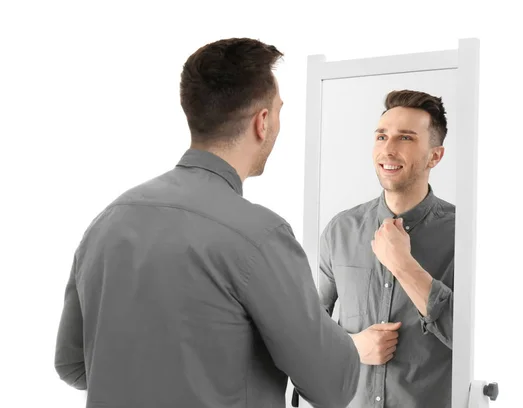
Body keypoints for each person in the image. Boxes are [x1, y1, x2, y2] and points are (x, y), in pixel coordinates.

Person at [54, 38, 360, 408]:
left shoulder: (108, 221)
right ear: (262, 122)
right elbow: (335, 386)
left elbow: (72, 364)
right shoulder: (261, 236)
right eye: (278, 110)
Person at [314, 89, 454, 407]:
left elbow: (473, 340)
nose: (388, 150)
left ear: (435, 155)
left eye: (405, 138)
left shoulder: (464, 234)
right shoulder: (340, 230)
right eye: (381, 136)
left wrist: (403, 265)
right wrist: (352, 347)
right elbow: (309, 330)